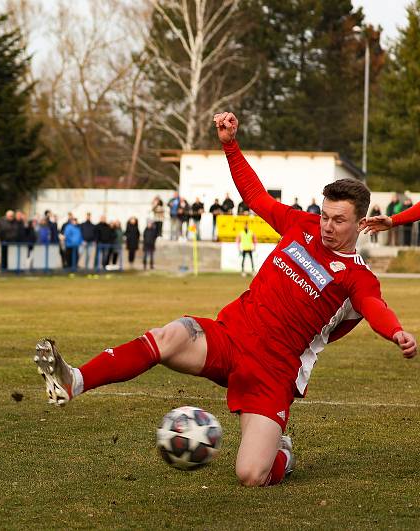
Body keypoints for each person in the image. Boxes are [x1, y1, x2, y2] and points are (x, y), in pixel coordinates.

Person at [33, 111, 416, 488]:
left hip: (272, 371)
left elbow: (374, 309)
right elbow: (255, 196)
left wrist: (396, 332)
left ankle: (279, 452)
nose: (327, 226)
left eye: (338, 220)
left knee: (251, 475)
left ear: (360, 222)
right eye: (324, 216)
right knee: (168, 336)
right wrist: (230, 145)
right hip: (230, 337)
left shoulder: (357, 276)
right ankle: (74, 380)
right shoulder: (300, 225)